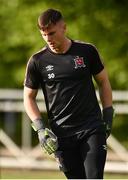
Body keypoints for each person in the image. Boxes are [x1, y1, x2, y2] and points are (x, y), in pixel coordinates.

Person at [23, 8, 114, 179]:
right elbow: (28, 97)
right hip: (61, 134)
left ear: (64, 27)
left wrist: (108, 114)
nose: (48, 39)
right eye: (43, 34)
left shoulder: (87, 51)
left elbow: (103, 82)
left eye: (51, 33)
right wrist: (40, 129)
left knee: (94, 177)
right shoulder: (37, 61)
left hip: (91, 128)